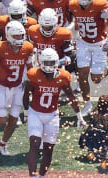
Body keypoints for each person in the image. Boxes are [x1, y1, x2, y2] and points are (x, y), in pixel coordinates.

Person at [23, 48, 86, 178]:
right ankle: (32, 176)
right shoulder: (33, 74)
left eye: (52, 63)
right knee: (34, 144)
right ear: (41, 62)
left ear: (57, 62)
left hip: (52, 115)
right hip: (35, 113)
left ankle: (41, 176)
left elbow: (71, 96)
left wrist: (79, 116)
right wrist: (26, 112)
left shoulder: (63, 76)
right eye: (46, 62)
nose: (49, 65)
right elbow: (26, 94)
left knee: (49, 149)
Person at [0, 21, 34, 156]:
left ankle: (3, 145)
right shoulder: (0, 47)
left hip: (18, 87)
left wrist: (33, 86)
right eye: (16, 36)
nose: (19, 39)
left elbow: (31, 69)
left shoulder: (27, 48)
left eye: (21, 35)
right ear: (9, 36)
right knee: (1, 118)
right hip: (2, 87)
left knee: (14, 119)